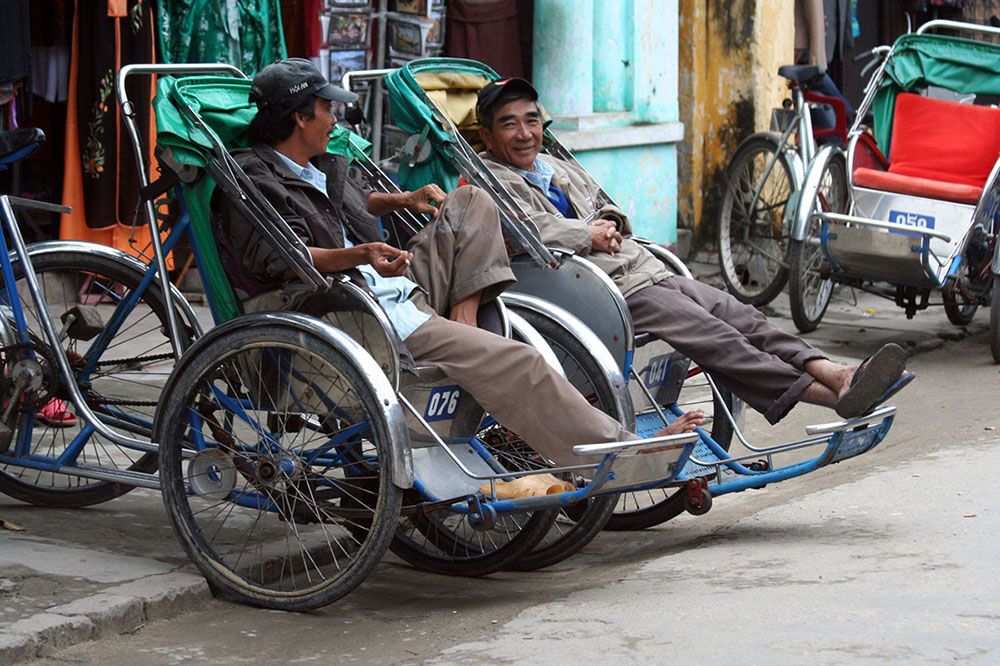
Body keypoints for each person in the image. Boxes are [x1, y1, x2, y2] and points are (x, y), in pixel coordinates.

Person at [217, 59, 700, 497]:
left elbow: (354, 203)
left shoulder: (322, 165)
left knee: (473, 201)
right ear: (301, 116)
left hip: (391, 285)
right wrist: (359, 253)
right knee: (523, 363)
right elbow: (281, 258)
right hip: (346, 307)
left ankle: (464, 320)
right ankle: (622, 451)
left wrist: (402, 200)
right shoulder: (253, 178)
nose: (334, 118)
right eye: (327, 108)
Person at [475, 77, 913, 425]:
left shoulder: (558, 166)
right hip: (594, 289)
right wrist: (586, 234)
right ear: (488, 136)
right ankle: (827, 394)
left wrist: (607, 226)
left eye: (531, 120)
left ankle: (833, 372)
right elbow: (527, 229)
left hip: (639, 268)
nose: (524, 133)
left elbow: (607, 203)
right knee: (716, 337)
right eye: (509, 124)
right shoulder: (487, 181)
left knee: (742, 316)